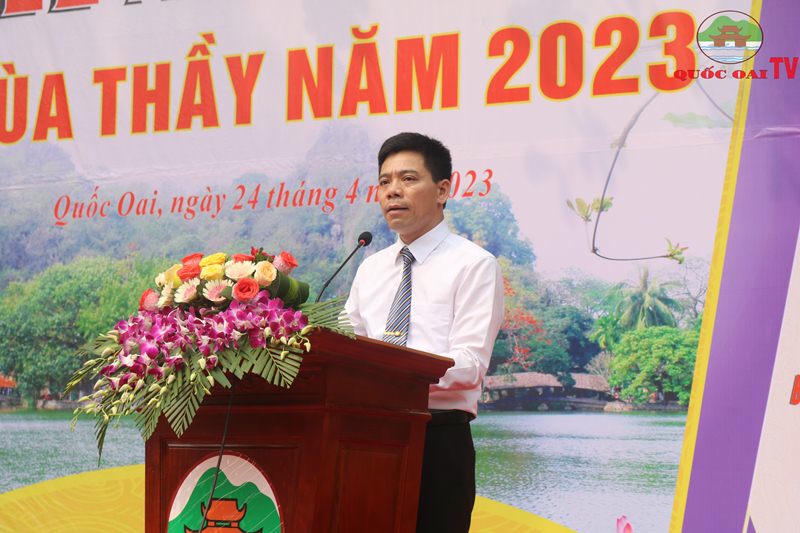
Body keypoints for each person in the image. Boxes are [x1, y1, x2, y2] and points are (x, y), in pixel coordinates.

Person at [345, 132, 504, 532]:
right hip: (365, 439)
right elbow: (348, 348)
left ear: (442, 190)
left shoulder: (474, 265)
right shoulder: (370, 268)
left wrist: (392, 372)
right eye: (384, 182)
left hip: (437, 440)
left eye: (408, 179)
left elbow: (469, 364)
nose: (392, 191)